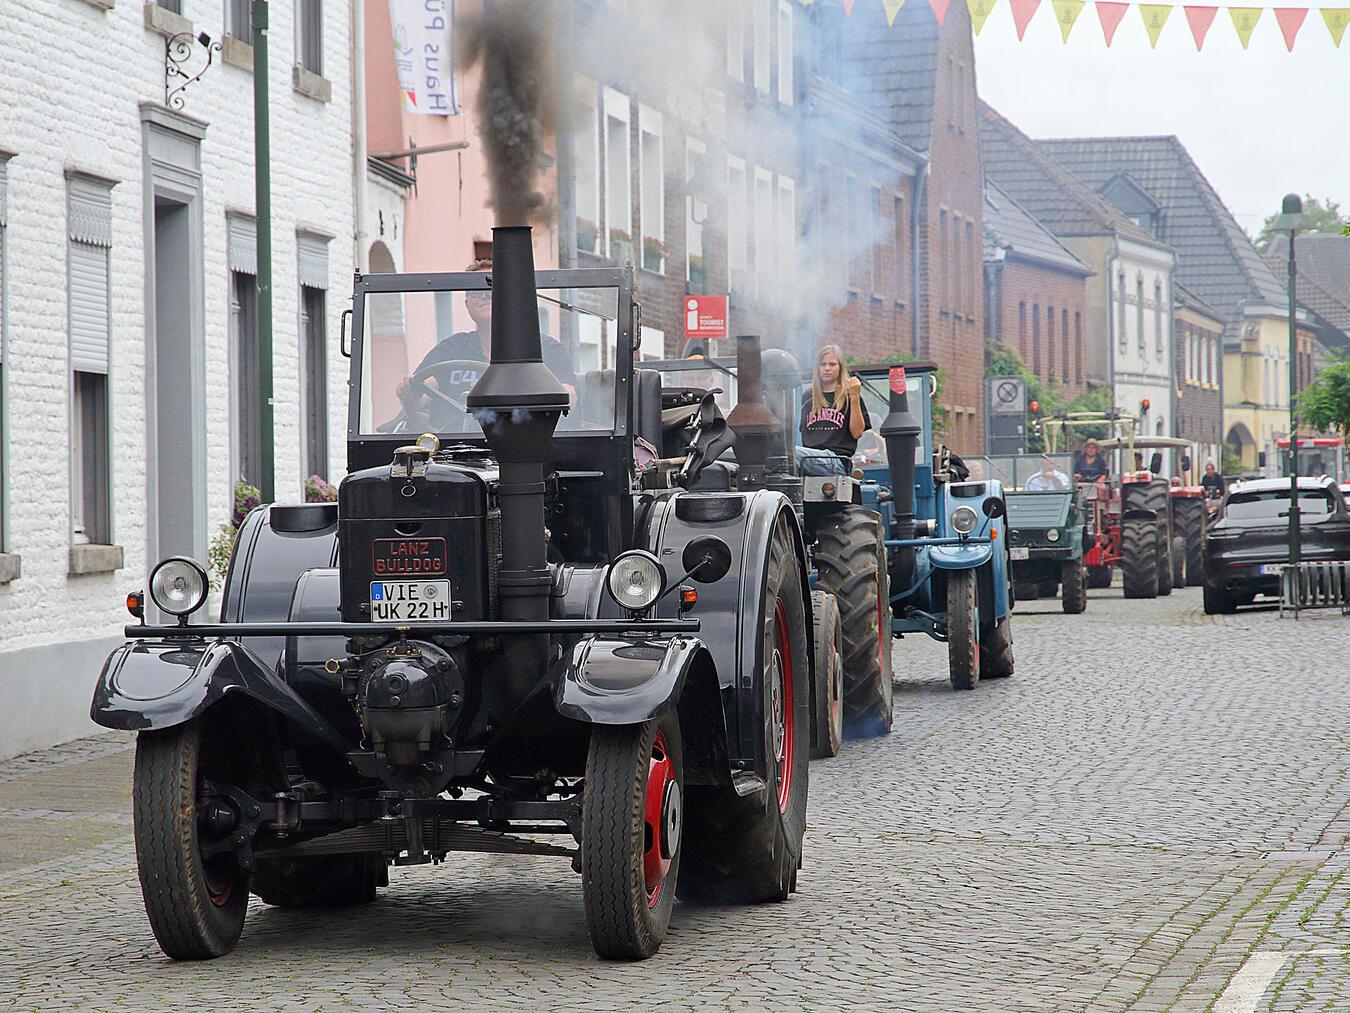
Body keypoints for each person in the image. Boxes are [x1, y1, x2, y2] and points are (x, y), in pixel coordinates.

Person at [397, 259, 577, 426]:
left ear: (514, 299)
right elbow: (422, 392)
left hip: (525, 448)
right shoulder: (451, 348)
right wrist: (409, 389)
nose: (485, 296)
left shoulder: (545, 349)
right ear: (467, 303)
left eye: (493, 289)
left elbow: (568, 396)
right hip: (451, 451)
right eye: (476, 290)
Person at [799, 344, 870, 461]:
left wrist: (854, 396)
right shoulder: (809, 397)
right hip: (809, 458)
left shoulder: (849, 395)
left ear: (840, 368)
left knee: (792, 454)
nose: (827, 368)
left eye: (832, 364)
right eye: (823, 364)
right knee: (784, 455)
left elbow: (857, 433)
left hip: (838, 459)